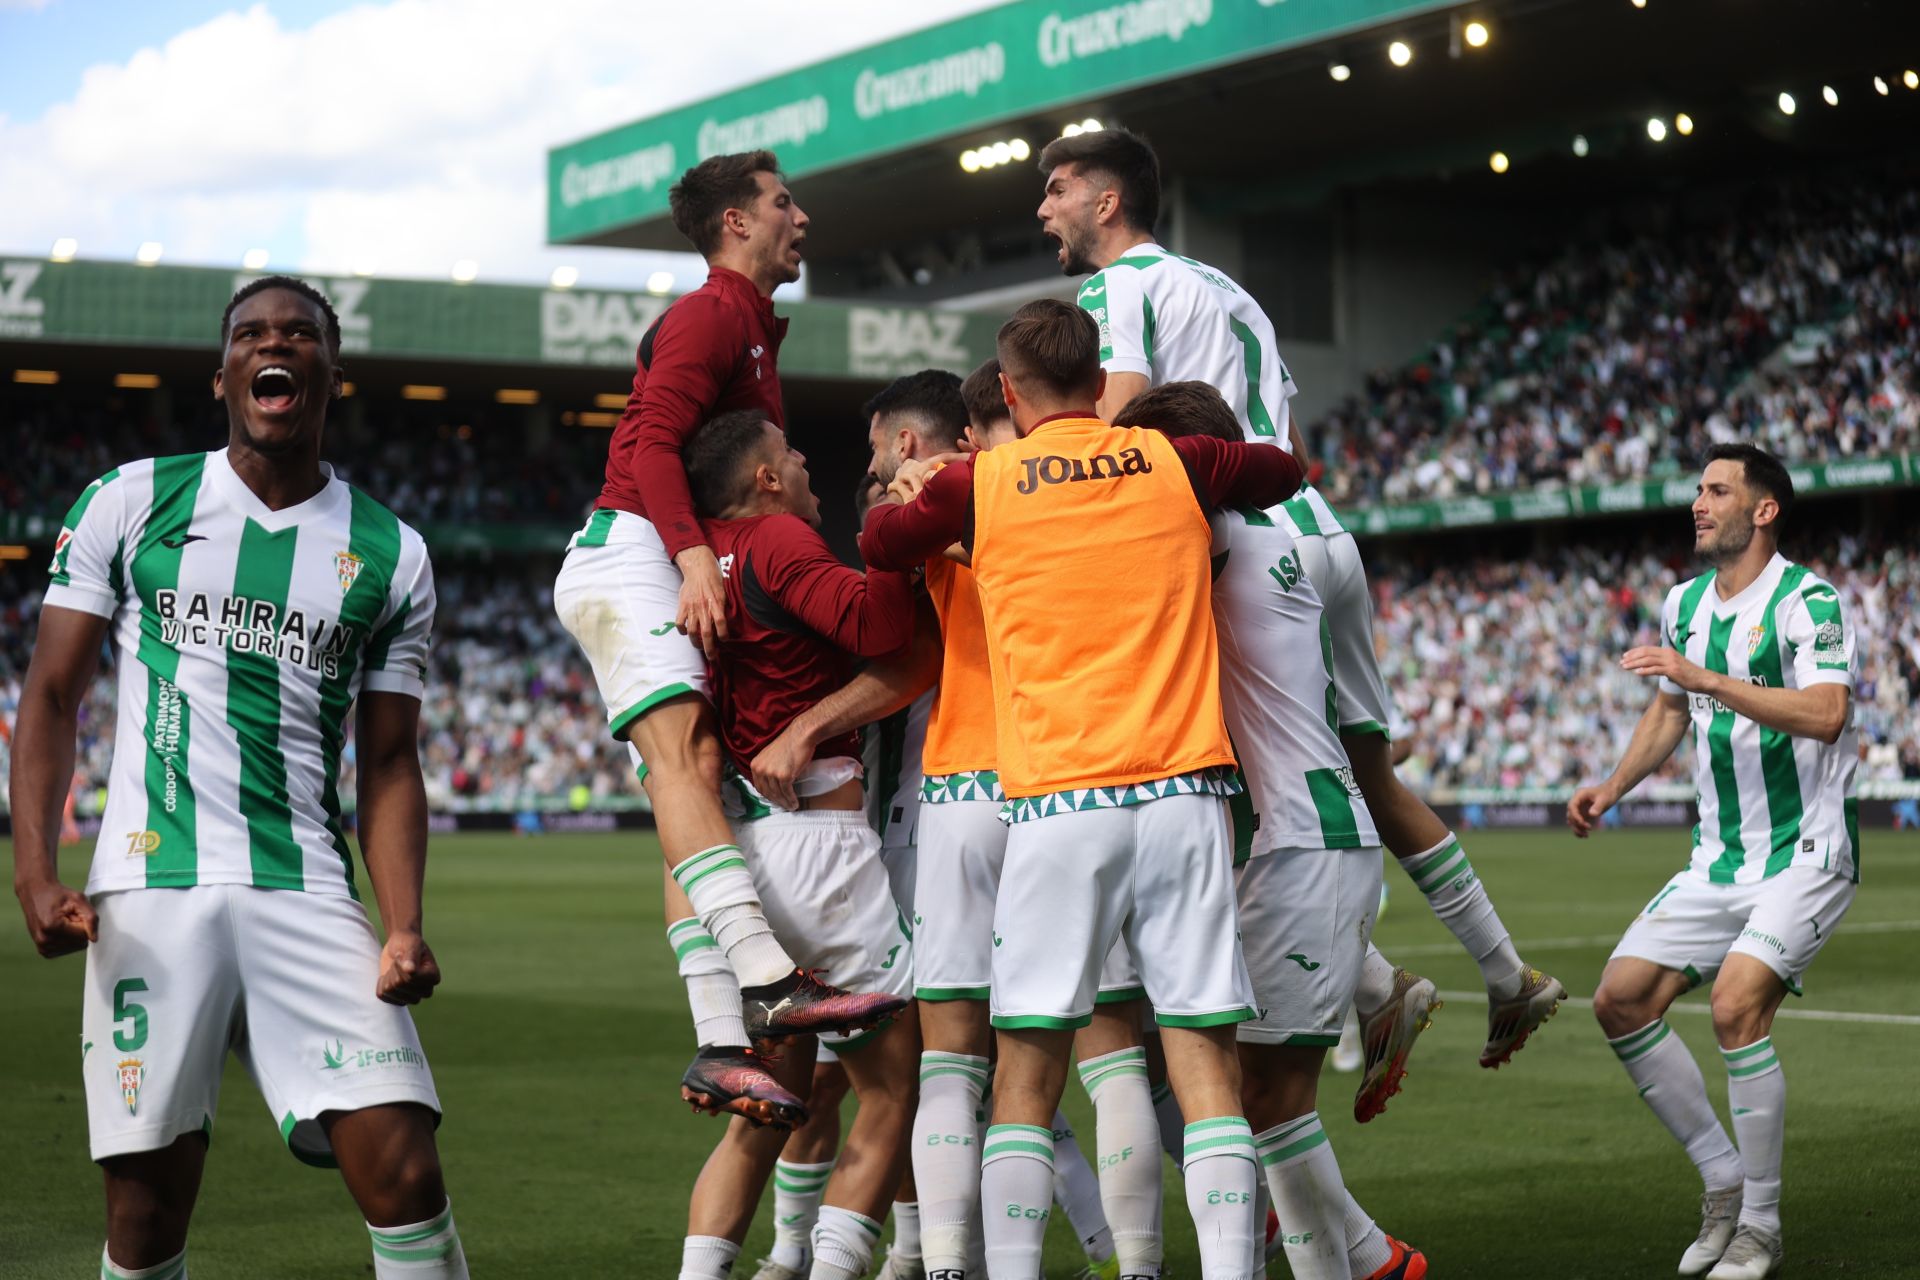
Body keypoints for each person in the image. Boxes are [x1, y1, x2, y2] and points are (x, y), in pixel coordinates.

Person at [1036, 126, 1563, 1101]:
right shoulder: (1229, 288)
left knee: (1231, 769)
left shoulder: (1115, 291)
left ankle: (1364, 983)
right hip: (1321, 532)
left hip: (1239, 534)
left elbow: (1115, 430)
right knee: (1355, 764)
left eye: (1058, 188)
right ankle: (1504, 971)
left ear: (1107, 202)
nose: (1044, 208)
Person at [10, 276, 468, 1278]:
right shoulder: (133, 500)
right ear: (223, 372)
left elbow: (389, 757)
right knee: (144, 1211)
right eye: (252, 333)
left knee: (407, 1170)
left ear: (330, 377)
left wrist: (403, 921)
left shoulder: (394, 551)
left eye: (301, 334)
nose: (277, 344)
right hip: (152, 889)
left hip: (305, 887)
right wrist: (35, 872)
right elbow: (51, 695)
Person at [864, 299, 1305, 1279]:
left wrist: (923, 490)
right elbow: (1283, 470)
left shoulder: (984, 482)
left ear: (1009, 392)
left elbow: (881, 545)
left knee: (1024, 1067)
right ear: (1103, 380)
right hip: (1187, 790)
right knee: (1202, 1062)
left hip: (1060, 802)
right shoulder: (1176, 460)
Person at [550, 150, 901, 1125]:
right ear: (737, 222)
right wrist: (696, 557)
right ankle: (761, 977)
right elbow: (654, 440)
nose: (803, 217)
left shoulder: (749, 327)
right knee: (685, 764)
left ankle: (719, 1040)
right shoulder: (711, 313)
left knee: (693, 786)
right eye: (784, 202)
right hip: (635, 551)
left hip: (651, 554)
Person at [1119, 381, 1425, 1280]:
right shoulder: (1261, 537)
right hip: (1281, 840)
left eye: (1142, 463)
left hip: (1302, 842)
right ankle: (1369, 1262)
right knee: (1243, 1093)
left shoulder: (1212, 539)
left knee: (1272, 1099)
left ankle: (1362, 1268)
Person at [865, 363, 1131, 1280]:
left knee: (949, 1058)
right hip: (1066, 782)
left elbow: (876, 546)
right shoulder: (1087, 500)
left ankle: (942, 1263)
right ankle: (1126, 1255)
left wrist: (913, 489)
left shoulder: (950, 499)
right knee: (1097, 1053)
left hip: (961, 788)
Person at [1570, 444, 1857, 1280]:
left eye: (1718, 490)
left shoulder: (1810, 600)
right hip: (1718, 858)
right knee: (1619, 1001)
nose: (1699, 502)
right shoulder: (1684, 603)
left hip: (1807, 852)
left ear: (1764, 510)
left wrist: (1707, 677)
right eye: (1698, 489)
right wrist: (1612, 787)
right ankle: (1724, 1181)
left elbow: (1829, 712)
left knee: (1735, 1006)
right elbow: (1671, 709)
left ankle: (1761, 1226)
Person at [674, 410, 922, 1280]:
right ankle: (838, 1267)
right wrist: (894, 534)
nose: (807, 458)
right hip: (823, 847)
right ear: (766, 478)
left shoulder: (704, 559)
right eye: (791, 451)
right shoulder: (779, 537)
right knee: (895, 1089)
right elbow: (878, 631)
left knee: (765, 1114)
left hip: (737, 853)